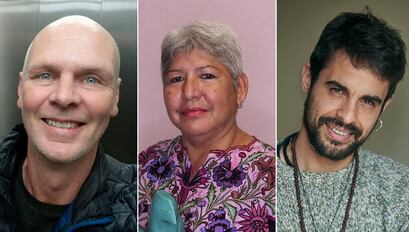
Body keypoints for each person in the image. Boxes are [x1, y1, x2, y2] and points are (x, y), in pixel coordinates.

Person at [277, 9, 409, 231]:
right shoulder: (251, 177)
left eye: (368, 102)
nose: (348, 116)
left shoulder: (404, 193)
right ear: (308, 78)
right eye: (337, 90)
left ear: (384, 106)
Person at [0, 15, 136, 231]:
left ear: (115, 97)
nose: (64, 97)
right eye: (45, 75)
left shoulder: (144, 201)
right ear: (20, 89)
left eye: (91, 79)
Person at [139, 21, 275, 231]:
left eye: (207, 76)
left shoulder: (272, 175)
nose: (190, 92)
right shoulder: (145, 163)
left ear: (239, 88)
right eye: (176, 79)